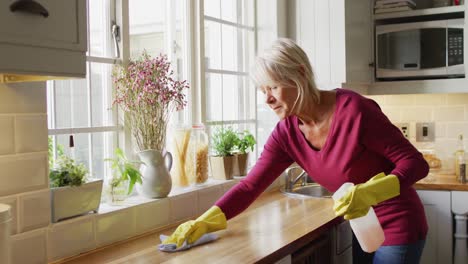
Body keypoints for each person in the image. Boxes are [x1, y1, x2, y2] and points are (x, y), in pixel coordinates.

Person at [162, 38, 429, 264]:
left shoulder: (355, 111)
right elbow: (249, 187)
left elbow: (416, 163)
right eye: (262, 90)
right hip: (363, 228)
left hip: (400, 225)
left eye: (273, 87)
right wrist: (203, 222)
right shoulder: (286, 134)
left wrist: (370, 192)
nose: (267, 99)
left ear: (300, 73)